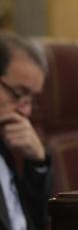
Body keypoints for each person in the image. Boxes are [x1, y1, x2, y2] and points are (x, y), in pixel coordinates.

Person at [0, 32, 52, 230]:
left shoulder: (6, 142)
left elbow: (38, 220)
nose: (26, 111)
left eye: (31, 99)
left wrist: (37, 161)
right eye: (19, 94)